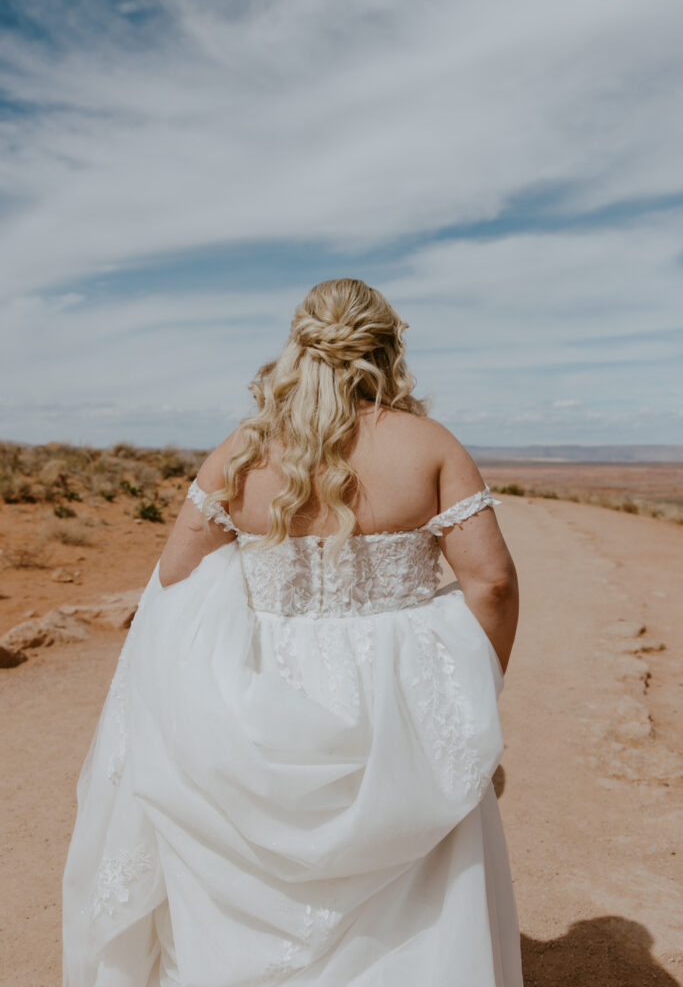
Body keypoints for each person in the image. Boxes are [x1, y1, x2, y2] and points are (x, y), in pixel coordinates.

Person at [62, 277, 523, 986]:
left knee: (250, 888)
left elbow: (176, 579)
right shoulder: (430, 447)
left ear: (298, 347)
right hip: (397, 702)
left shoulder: (242, 451)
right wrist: (468, 693)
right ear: (386, 348)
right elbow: (489, 582)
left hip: (261, 702)